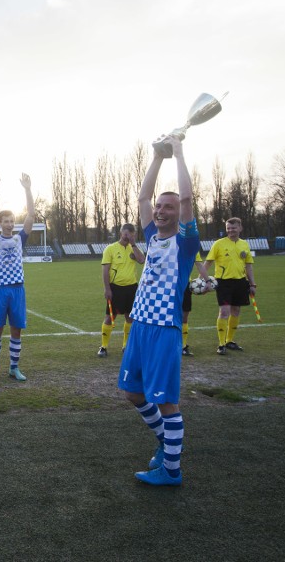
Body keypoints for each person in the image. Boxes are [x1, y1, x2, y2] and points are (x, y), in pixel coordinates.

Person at [118, 134, 198, 486]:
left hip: (165, 328)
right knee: (134, 393)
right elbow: (142, 197)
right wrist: (155, 157)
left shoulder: (185, 242)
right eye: (160, 208)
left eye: (171, 207)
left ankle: (171, 470)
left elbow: (188, 196)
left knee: (167, 404)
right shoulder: (151, 237)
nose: (162, 210)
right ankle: (167, 443)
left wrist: (178, 154)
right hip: (140, 326)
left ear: (179, 212)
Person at [0, 172, 35, 381]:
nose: (9, 224)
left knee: (16, 331)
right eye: (6, 221)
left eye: (12, 221)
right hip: (0, 290)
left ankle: (14, 367)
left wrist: (28, 190)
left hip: (17, 289)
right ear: (0, 223)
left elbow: (30, 216)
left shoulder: (19, 239)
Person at [203, 217, 257, 355]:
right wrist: (202, 280)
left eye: (233, 227)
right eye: (228, 228)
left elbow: (249, 265)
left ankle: (230, 341)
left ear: (240, 228)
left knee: (236, 311)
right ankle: (221, 344)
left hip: (240, 282)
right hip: (223, 283)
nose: (231, 230)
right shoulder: (218, 244)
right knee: (224, 311)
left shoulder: (244, 244)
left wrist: (252, 283)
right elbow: (208, 262)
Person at [98, 224, 145, 357]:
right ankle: (104, 346)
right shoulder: (110, 249)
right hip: (115, 288)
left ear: (133, 235)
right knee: (109, 317)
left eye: (130, 234)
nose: (127, 236)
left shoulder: (134, 248)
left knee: (130, 317)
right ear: (120, 233)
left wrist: (134, 244)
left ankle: (126, 346)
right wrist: (107, 289)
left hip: (132, 288)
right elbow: (105, 270)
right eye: (125, 234)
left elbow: (142, 260)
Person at [181, 252, 211, 356]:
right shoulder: (168, 242)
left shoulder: (191, 246)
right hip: (167, 285)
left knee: (184, 316)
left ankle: (183, 345)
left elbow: (199, 265)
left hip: (184, 285)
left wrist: (207, 281)